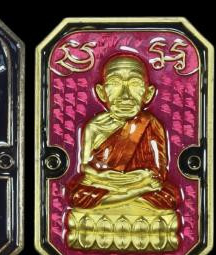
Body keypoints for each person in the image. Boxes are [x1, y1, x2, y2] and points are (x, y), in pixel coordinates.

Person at [67, 54, 179, 216]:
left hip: (138, 184)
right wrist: (102, 176)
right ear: (101, 92)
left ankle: (124, 198)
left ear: (148, 93)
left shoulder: (150, 123)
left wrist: (140, 177)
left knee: (168, 196)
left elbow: (158, 173)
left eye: (134, 84)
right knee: (78, 195)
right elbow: (84, 167)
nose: (125, 95)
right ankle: (131, 196)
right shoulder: (94, 126)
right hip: (106, 183)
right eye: (114, 83)